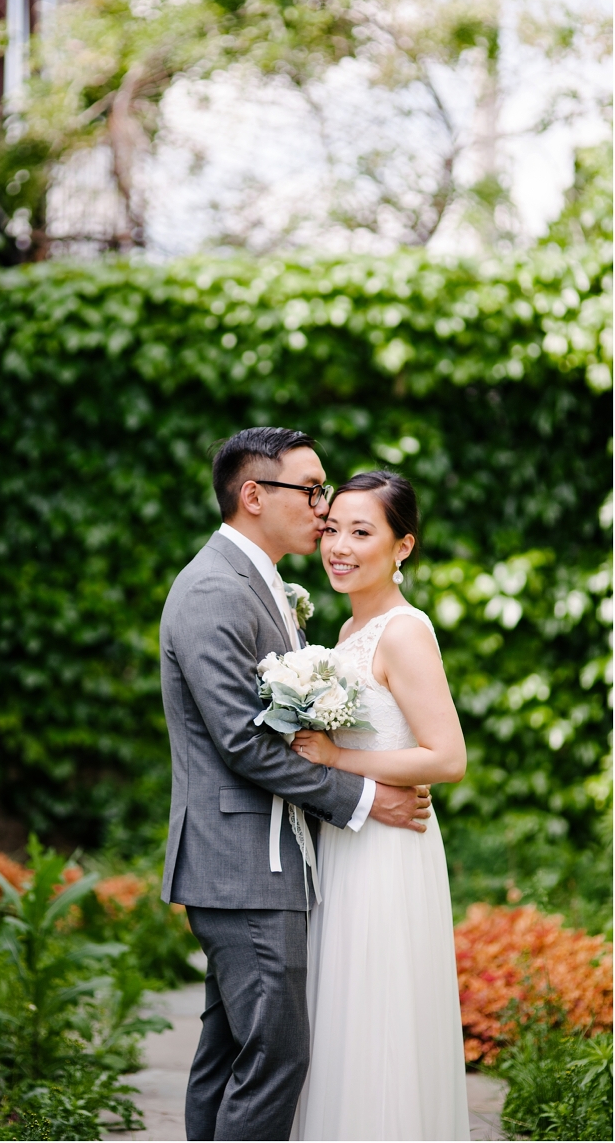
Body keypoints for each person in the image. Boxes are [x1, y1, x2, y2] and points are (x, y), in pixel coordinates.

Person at [160, 429, 432, 1142]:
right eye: (312, 492)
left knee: (233, 1057)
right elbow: (245, 743)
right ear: (254, 495)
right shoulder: (215, 587)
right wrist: (367, 799)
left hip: (271, 860)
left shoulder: (266, 584)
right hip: (243, 863)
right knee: (276, 1057)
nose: (322, 508)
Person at [290, 470, 471, 1141]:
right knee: (345, 1015)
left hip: (389, 850)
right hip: (349, 839)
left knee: (381, 1016)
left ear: (403, 546)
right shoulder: (345, 628)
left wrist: (338, 760)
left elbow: (446, 757)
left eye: (361, 531)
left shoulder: (403, 630)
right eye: (332, 528)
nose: (339, 545)